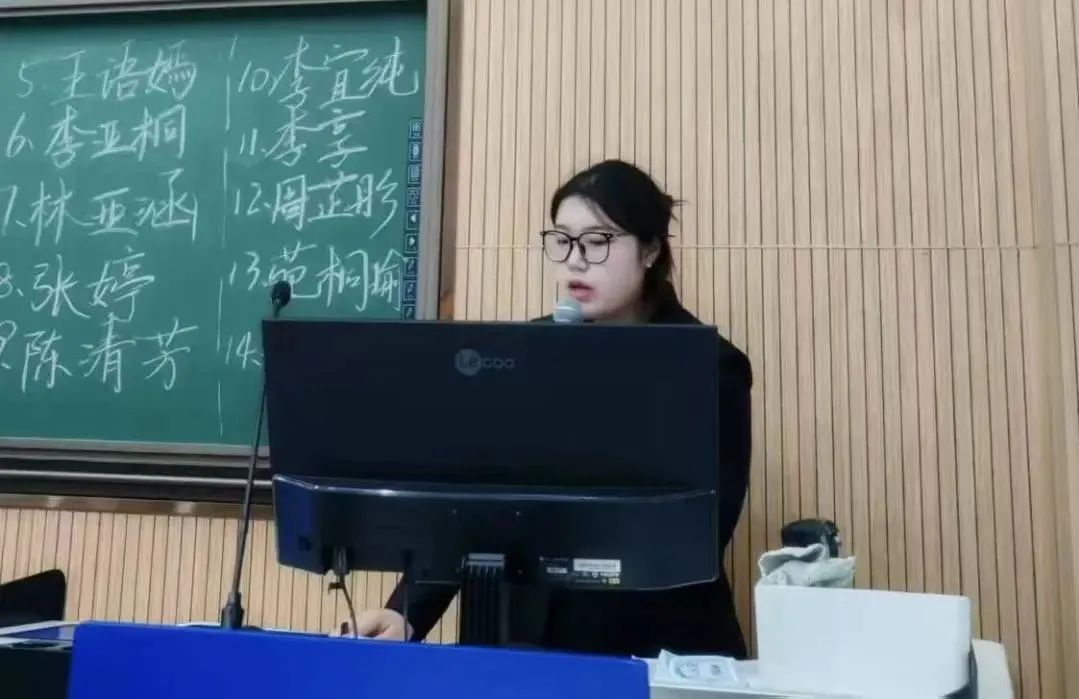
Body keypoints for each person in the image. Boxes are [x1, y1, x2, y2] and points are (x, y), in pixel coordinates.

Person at [345, 159, 753, 659]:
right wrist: (406, 611)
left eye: (597, 242)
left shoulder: (710, 366)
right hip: (525, 647)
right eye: (562, 240)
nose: (575, 261)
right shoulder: (521, 356)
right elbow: (470, 503)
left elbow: (701, 533)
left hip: (655, 648)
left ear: (650, 250)